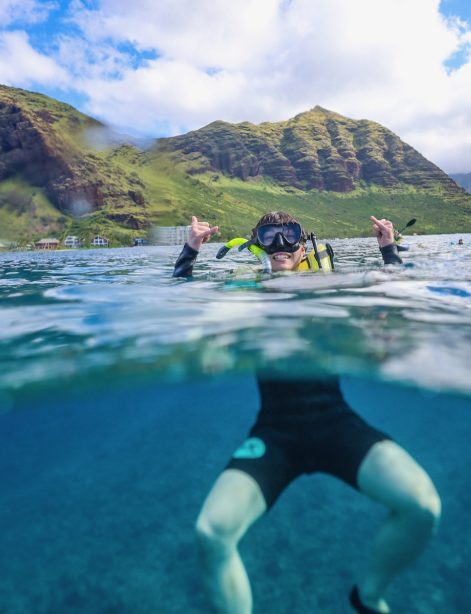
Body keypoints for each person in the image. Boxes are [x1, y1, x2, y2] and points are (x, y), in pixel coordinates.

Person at [173, 211, 441, 613]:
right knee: (211, 533)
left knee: (422, 507)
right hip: (274, 434)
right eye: (269, 236)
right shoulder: (246, 286)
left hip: (334, 422)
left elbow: (395, 295)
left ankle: (367, 596)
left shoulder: (328, 285)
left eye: (289, 236)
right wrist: (189, 251)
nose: (280, 245)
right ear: (257, 243)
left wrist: (388, 250)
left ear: (303, 245)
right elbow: (183, 302)